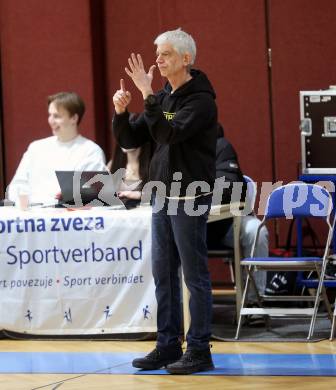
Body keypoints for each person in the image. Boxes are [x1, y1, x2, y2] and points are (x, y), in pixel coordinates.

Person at [112, 28, 217, 374]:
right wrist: (121, 114)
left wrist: (147, 94)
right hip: (161, 196)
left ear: (185, 59)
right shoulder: (165, 98)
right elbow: (134, 136)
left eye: (165, 54)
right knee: (163, 274)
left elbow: (168, 132)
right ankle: (168, 344)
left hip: (188, 197)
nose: (157, 60)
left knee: (194, 277)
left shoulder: (200, 101)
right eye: (157, 53)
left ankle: (200, 349)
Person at [7, 92, 106, 206]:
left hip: (69, 217)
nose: (51, 120)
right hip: (32, 216)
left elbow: (91, 192)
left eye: (57, 116)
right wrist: (25, 205)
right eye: (50, 115)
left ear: (74, 118)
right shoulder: (36, 148)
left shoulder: (91, 151)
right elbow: (17, 185)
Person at [208, 124, 269, 304]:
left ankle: (253, 302)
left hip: (225, 224)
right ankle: (177, 311)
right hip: (187, 228)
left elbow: (230, 187)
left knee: (256, 230)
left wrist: (197, 197)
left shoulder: (221, 146)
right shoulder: (174, 148)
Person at [107, 139, 153, 207]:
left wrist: (137, 195)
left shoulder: (152, 165)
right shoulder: (113, 164)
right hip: (116, 213)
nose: (125, 139)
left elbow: (163, 195)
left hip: (143, 212)